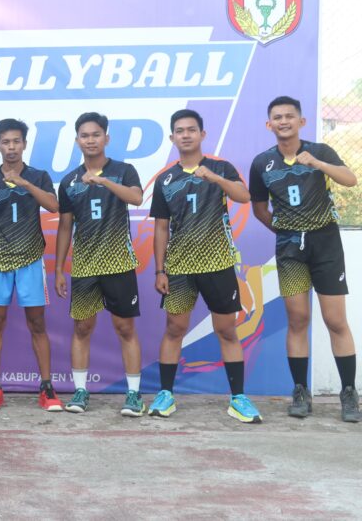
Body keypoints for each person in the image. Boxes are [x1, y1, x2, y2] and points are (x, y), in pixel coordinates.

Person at [249, 95, 360, 422]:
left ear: (301, 121)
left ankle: (349, 392)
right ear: (269, 124)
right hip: (290, 250)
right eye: (277, 117)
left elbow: (350, 179)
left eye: (289, 116)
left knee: (335, 320)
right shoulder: (262, 163)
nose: (283, 121)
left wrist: (318, 164)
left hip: (326, 245)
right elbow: (259, 209)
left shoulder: (320, 151)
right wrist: (285, 229)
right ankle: (300, 390)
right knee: (297, 319)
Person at [147, 109, 261, 423]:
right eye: (180, 131)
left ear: (202, 134)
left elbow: (244, 196)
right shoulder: (165, 179)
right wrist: (160, 270)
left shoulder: (221, 168)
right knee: (174, 329)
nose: (185, 135)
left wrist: (215, 178)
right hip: (179, 268)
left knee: (226, 330)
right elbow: (161, 228)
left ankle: (238, 398)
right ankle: (165, 394)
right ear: (172, 137)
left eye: (191, 129)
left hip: (217, 264)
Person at [55, 112, 146, 417]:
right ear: (77, 140)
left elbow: (136, 198)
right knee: (82, 328)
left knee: (125, 327)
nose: (90, 140)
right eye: (85, 135)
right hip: (84, 266)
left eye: (96, 135)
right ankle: (81, 391)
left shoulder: (123, 171)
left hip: (118, 263)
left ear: (106, 138)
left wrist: (103, 180)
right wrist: (59, 269)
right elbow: (65, 226)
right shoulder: (69, 181)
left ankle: (134, 394)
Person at [0, 118, 62, 412]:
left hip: (30, 260)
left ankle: (47, 388)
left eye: (16, 141)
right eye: (5, 142)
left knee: (37, 323)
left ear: (24, 144)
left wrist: (25, 184)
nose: (11, 147)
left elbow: (53, 206)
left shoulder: (38, 176)